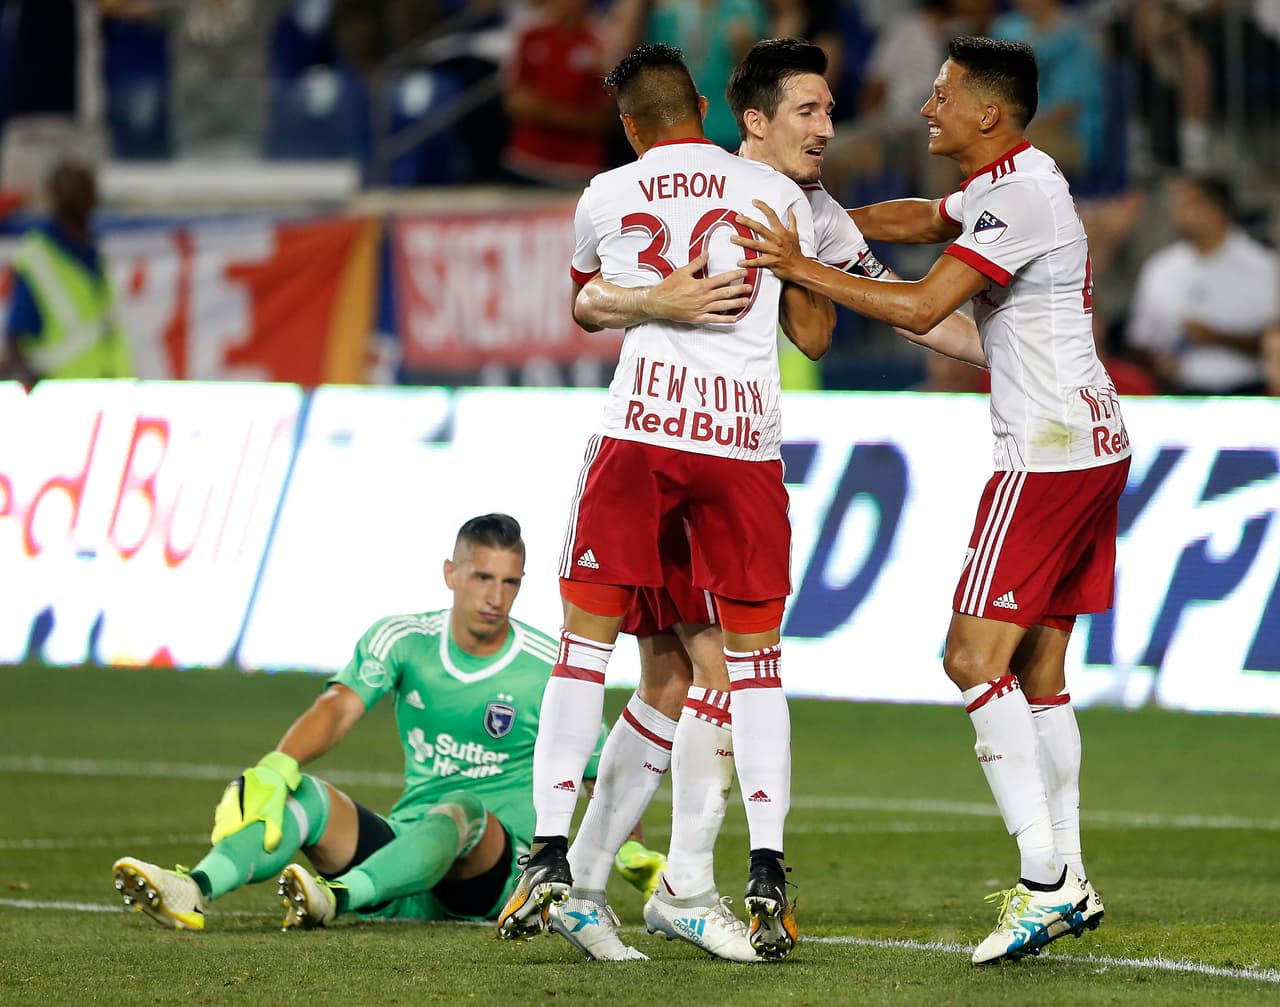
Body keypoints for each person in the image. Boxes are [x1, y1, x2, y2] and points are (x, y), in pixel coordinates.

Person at [559, 37, 984, 963]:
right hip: (669, 450)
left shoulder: (813, 212)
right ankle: (660, 884)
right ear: (749, 119)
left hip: (726, 453)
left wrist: (1023, 358)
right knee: (695, 672)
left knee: (683, 675)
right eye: (808, 111)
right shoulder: (694, 183)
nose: (827, 128)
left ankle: (606, 881)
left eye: (831, 111)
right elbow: (599, 300)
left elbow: (842, 324)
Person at [735, 36, 1128, 965]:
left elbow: (919, 310)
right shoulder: (1010, 180)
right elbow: (923, 219)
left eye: (942, 94)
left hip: (1046, 452)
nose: (925, 107)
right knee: (1038, 670)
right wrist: (832, 217)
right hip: (1093, 440)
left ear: (988, 112)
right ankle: (1068, 868)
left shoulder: (1022, 195)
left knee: (967, 656)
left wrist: (801, 261)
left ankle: (1044, 882)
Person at [496, 42, 831, 962]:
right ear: (708, 113)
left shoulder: (604, 193)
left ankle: (554, 856)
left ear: (631, 125)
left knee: (587, 647)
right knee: (744, 664)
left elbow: (586, 304)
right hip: (741, 446)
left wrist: (655, 301)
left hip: (642, 439)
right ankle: (762, 866)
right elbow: (815, 330)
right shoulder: (775, 195)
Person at [110, 514, 618, 932]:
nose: (496, 596)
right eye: (483, 577)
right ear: (450, 573)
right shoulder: (403, 640)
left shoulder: (549, 663)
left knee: (463, 808)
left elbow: (601, 772)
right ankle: (193, 888)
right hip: (406, 862)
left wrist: (623, 849)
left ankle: (336, 897)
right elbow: (339, 706)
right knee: (301, 795)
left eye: (510, 582)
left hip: (494, 876)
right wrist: (278, 763)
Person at [1126, 174, 1279, 395]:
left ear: (1217, 209)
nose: (1178, 213)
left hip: (1250, 393)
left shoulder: (1265, 267)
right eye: (1176, 204)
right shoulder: (1160, 269)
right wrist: (1158, 363)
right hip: (1180, 394)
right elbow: (1139, 342)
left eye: (1189, 203)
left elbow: (1273, 341)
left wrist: (1217, 337)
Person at [1, 158, 131, 386]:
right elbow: (16, 338)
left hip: (109, 394)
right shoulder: (38, 258)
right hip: (63, 399)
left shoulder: (94, 254)